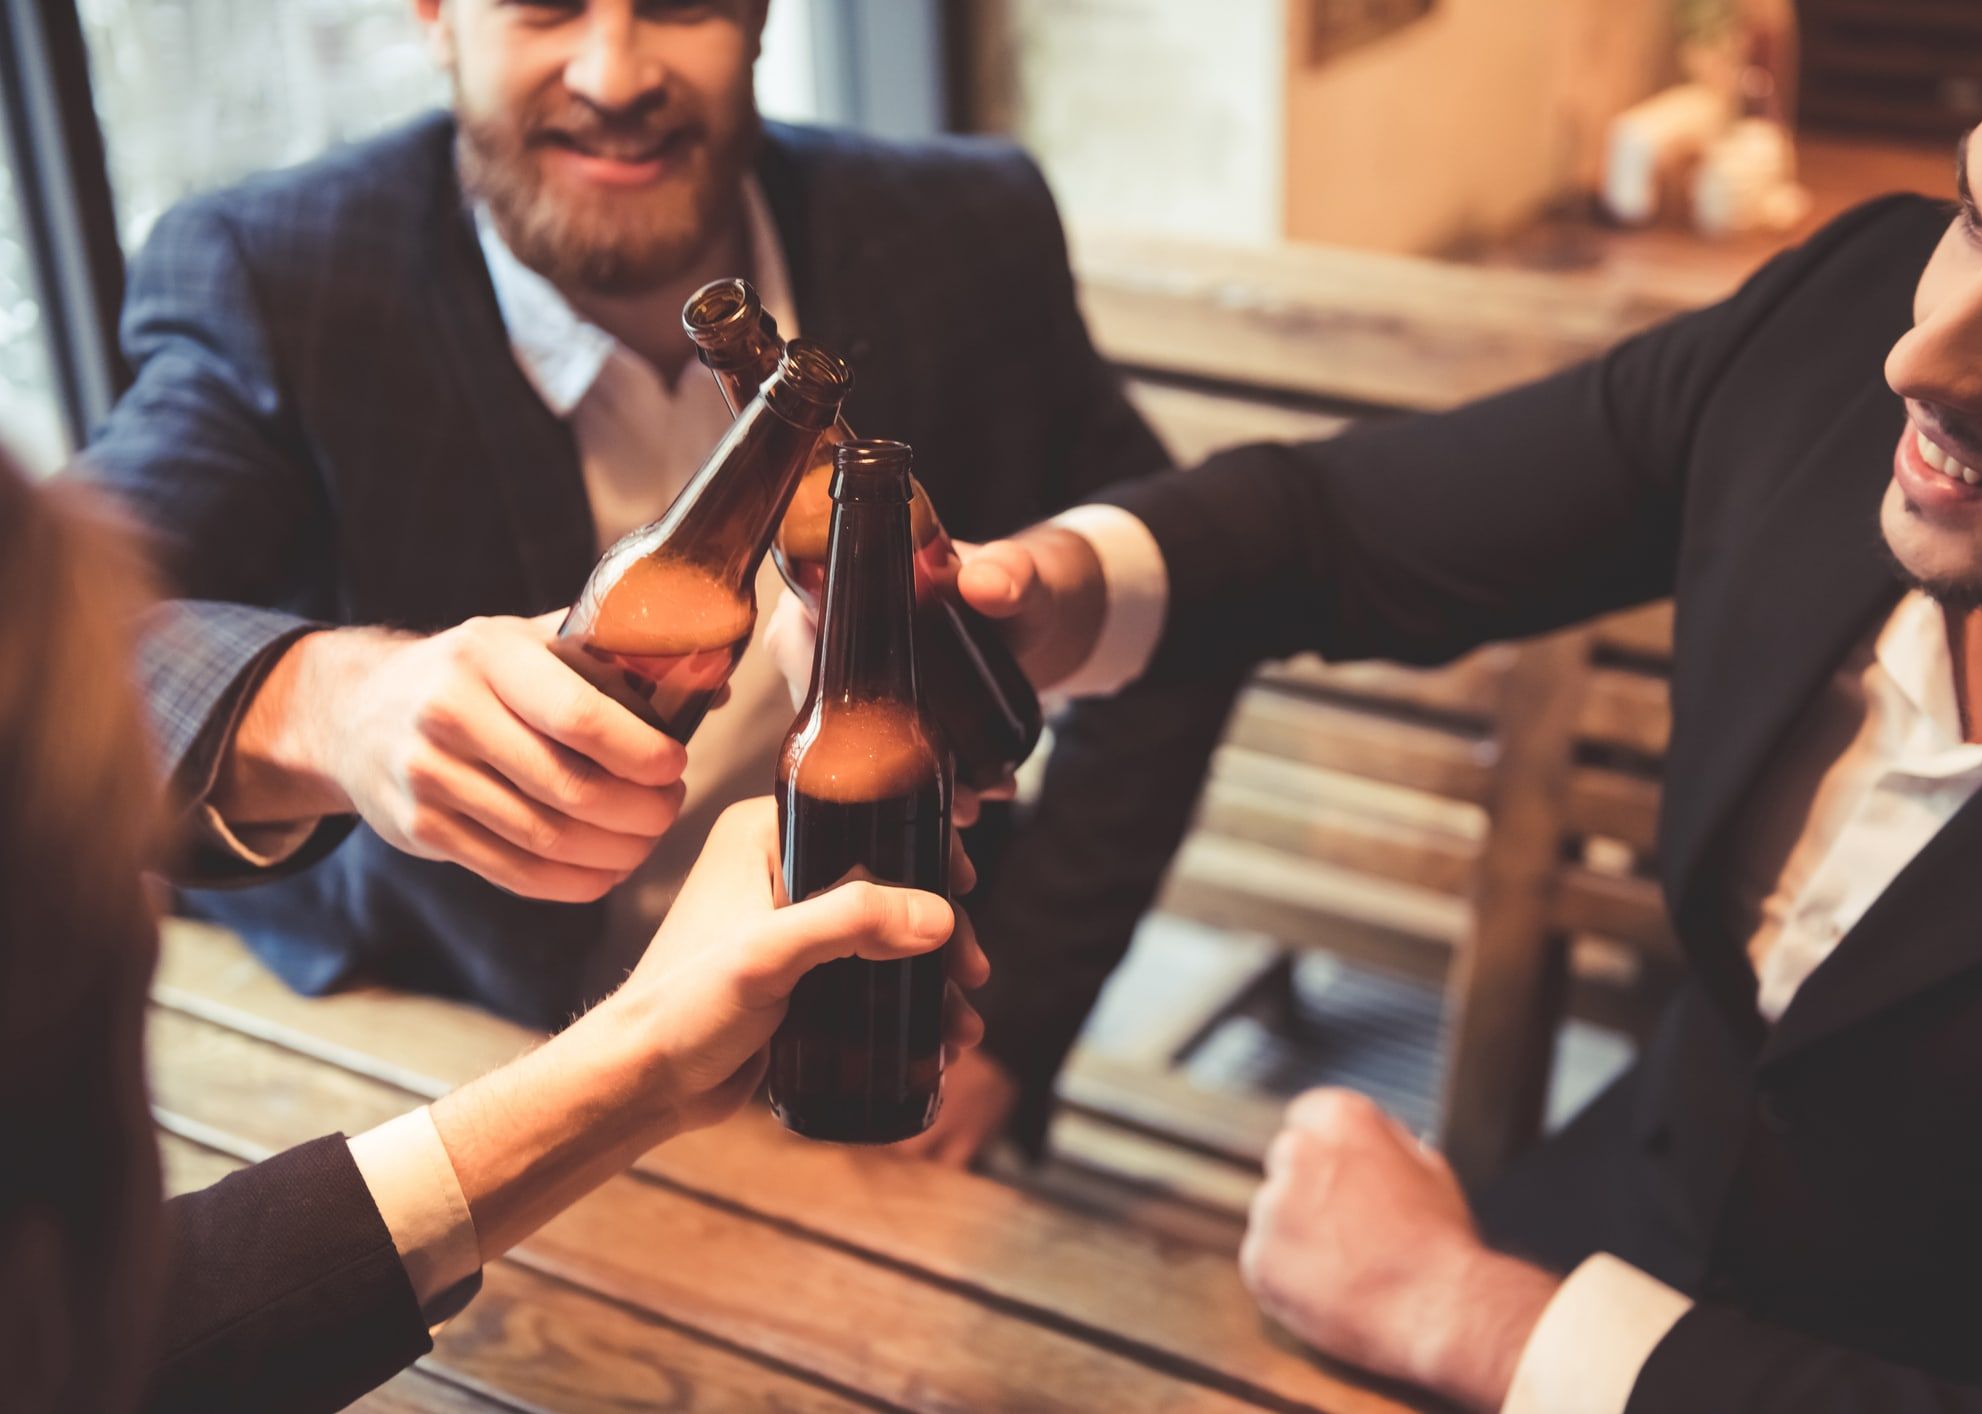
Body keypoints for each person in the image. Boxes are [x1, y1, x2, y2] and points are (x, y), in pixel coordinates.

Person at [935, 4, 1982, 1408]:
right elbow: (1346, 529)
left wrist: (1472, 1315)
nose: (1915, 356)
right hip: (1608, 1218)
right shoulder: (1838, 323)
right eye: (1972, 215)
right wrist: (1053, 591)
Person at [76, 0, 1240, 1165]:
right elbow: (59, 637)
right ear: (433, 14)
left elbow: (1177, 598)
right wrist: (337, 708)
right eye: (547, 4)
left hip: (871, 1061)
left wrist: (1016, 1028)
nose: (614, 72)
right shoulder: (276, 276)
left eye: (680, 2)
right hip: (461, 1071)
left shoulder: (966, 230)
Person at [0, 445, 984, 1413]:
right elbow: (123, 620)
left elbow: (122, 1341)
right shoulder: (280, 283)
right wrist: (333, 701)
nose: (146, 898)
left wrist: (634, 1062)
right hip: (427, 1011)